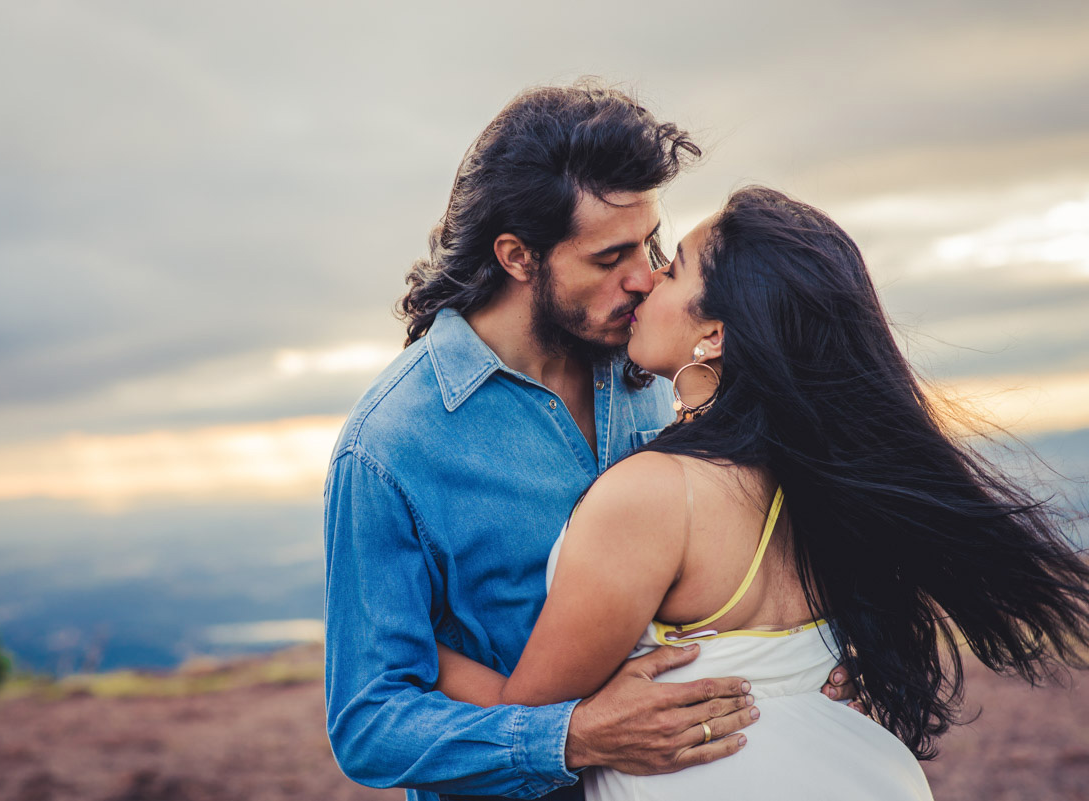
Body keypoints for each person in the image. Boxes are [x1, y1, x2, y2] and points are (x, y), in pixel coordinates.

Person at [433, 186, 1089, 799]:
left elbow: (530, 717)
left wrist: (414, 644)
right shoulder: (819, 474)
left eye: (672, 269)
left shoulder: (654, 494)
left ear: (714, 333)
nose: (645, 279)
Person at [323, 83, 856, 801]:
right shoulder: (391, 445)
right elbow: (368, 722)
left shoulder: (654, 367)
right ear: (518, 256)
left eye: (650, 243)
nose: (644, 278)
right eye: (610, 259)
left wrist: (818, 658)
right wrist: (574, 737)